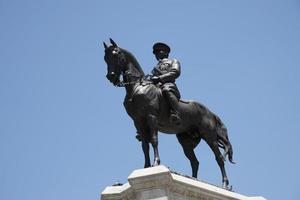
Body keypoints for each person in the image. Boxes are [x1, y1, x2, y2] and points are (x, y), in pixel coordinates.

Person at [150, 42, 181, 122]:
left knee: (166, 90)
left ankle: (176, 113)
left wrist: (159, 78)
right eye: (155, 53)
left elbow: (175, 72)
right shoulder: (155, 67)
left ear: (166, 52)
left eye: (159, 51)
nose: (157, 54)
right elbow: (151, 77)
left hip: (168, 85)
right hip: (157, 86)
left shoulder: (173, 61)